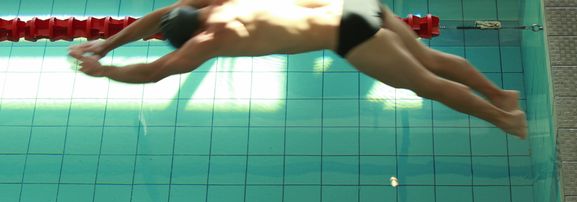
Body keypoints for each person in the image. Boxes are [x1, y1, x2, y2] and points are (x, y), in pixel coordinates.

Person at [69, 0, 527, 139]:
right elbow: (160, 16)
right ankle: (502, 95)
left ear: (188, 37)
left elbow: (155, 73)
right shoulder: (216, 6)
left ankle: (505, 118)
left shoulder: (209, 41)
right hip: (358, 6)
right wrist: (105, 45)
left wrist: (103, 72)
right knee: (430, 59)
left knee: (426, 85)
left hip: (348, 35)